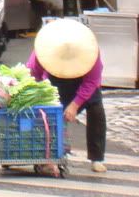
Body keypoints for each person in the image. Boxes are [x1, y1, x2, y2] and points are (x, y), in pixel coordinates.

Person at [27, 18, 107, 173]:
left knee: (96, 111)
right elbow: (33, 73)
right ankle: (51, 156)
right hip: (55, 84)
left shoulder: (91, 52)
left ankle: (96, 158)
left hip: (84, 86)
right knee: (49, 117)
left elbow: (91, 81)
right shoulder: (43, 50)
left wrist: (75, 105)